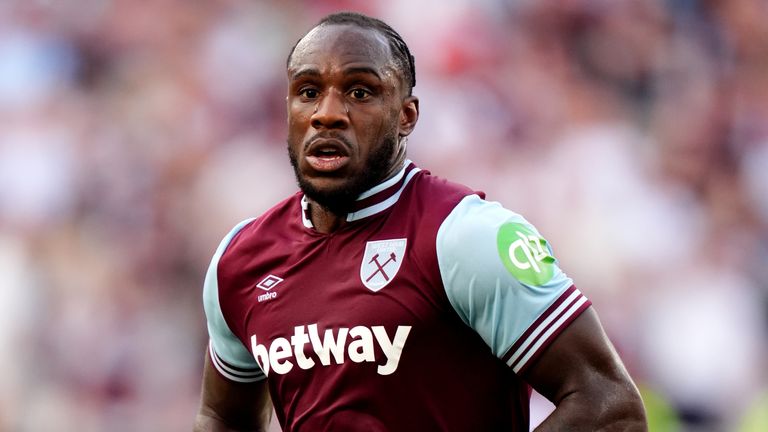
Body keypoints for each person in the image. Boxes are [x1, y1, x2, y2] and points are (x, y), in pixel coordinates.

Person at [194, 11, 647, 432]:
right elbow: (223, 417)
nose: (327, 113)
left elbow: (609, 405)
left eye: (360, 92)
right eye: (308, 92)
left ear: (406, 117)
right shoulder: (240, 261)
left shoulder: (465, 236)